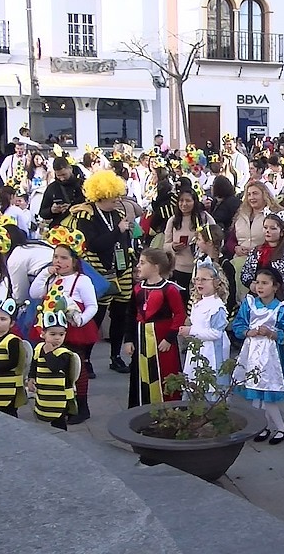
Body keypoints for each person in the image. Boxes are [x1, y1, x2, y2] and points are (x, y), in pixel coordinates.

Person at [69, 171, 136, 374]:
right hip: (98, 271)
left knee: (120, 315)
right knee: (95, 315)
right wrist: (118, 231)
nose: (117, 199)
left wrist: (130, 262)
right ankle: (85, 358)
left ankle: (115, 356)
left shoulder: (117, 214)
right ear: (102, 194)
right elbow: (95, 245)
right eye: (113, 195)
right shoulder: (86, 215)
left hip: (122, 269)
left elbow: (124, 242)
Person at [30, 232, 100, 424]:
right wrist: (46, 273)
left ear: (75, 261)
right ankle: (59, 402)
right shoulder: (51, 278)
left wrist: (81, 320)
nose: (59, 261)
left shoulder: (82, 280)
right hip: (52, 327)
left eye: (64, 258)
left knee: (77, 366)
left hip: (74, 329)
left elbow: (93, 305)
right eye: (55, 256)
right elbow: (35, 292)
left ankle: (82, 406)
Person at [234, 266, 284, 445]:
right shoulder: (250, 303)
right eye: (257, 282)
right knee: (256, 392)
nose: (260, 287)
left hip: (272, 356)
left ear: (275, 286)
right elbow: (238, 324)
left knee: (268, 391)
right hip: (252, 352)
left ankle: (280, 428)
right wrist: (248, 332)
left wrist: (272, 333)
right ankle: (264, 426)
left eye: (265, 283)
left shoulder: (282, 307)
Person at [125, 248, 187, 408]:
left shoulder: (170, 289)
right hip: (141, 339)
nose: (138, 266)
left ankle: (169, 410)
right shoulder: (138, 288)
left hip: (161, 340)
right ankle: (140, 408)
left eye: (143, 263)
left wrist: (169, 338)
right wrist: (129, 339)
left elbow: (180, 314)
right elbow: (131, 314)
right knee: (141, 374)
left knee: (165, 373)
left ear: (156, 267)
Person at [28, 310, 80, 430]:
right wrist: (31, 378)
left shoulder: (65, 353)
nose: (57, 338)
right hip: (45, 392)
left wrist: (49, 353)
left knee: (59, 423)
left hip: (60, 396)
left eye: (61, 335)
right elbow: (34, 364)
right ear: (43, 334)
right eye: (53, 334)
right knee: (44, 415)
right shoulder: (39, 348)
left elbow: (54, 368)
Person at [181, 260, 231, 376]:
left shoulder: (217, 306)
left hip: (211, 351)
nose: (199, 282)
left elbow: (216, 333)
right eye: (197, 279)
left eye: (204, 279)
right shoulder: (198, 302)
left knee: (209, 381)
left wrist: (192, 331)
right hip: (197, 347)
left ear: (216, 282)